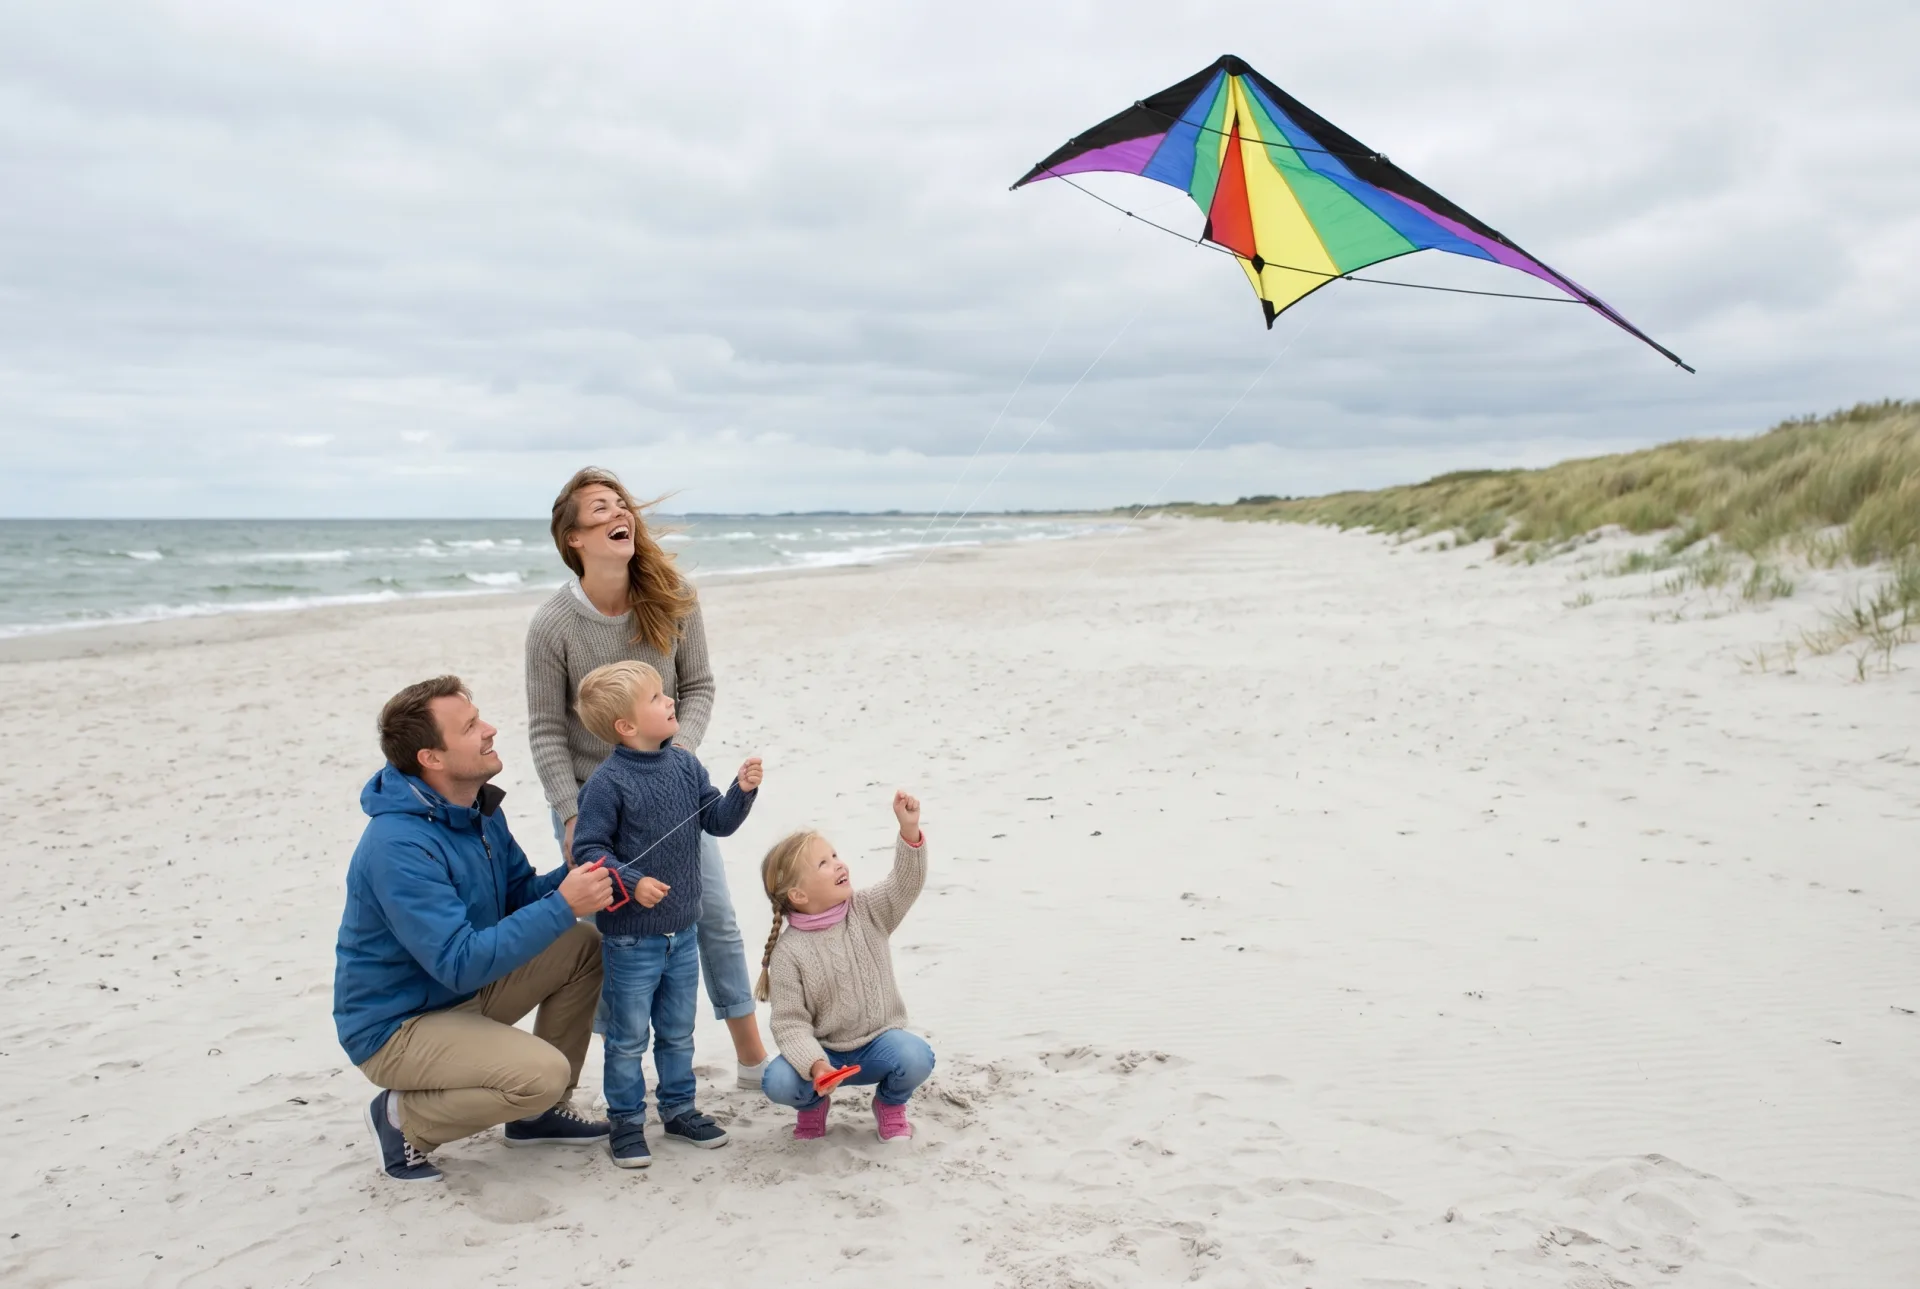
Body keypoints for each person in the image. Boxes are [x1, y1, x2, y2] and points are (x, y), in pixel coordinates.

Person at [526, 467, 771, 1089]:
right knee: (605, 939)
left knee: (711, 912)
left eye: (623, 505)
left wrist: (672, 759)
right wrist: (570, 813)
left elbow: (699, 686)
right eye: (602, 508)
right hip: (593, 804)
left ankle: (752, 1060)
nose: (621, 515)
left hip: (672, 790)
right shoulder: (552, 625)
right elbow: (546, 730)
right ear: (574, 537)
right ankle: (604, 1079)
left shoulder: (674, 597)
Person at [333, 676, 617, 1183]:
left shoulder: (477, 809)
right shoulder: (398, 846)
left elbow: (518, 897)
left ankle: (536, 1116)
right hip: (397, 1027)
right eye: (470, 727)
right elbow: (459, 963)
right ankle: (401, 1120)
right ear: (432, 758)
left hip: (457, 997)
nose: (490, 730)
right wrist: (564, 903)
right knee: (541, 1073)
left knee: (580, 946)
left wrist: (570, 873)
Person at [570, 661, 762, 1168]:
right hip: (631, 941)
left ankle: (679, 1110)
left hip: (683, 932)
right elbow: (588, 850)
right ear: (626, 728)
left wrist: (742, 790)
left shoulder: (684, 764)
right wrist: (630, 883)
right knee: (628, 1036)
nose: (670, 700)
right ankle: (627, 1122)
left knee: (678, 1031)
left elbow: (717, 821)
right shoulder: (606, 784)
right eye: (656, 698)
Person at [756, 791, 935, 1142]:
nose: (839, 864)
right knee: (776, 1081)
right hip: (824, 1054)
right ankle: (811, 1106)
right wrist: (816, 1065)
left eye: (835, 855)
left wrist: (909, 831)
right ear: (798, 896)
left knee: (917, 1056)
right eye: (824, 864)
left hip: (879, 1046)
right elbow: (790, 1024)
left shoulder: (869, 909)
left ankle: (889, 1103)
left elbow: (906, 883)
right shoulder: (789, 951)